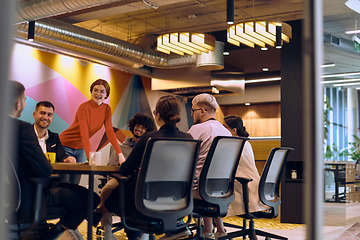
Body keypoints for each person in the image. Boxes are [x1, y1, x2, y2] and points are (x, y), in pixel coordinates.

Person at [7, 81, 101, 240]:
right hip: (31, 193)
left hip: (11, 193)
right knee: (91, 198)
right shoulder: (22, 129)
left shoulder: (53, 137)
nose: (23, 104)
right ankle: (53, 233)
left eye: (49, 114)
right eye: (24, 100)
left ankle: (54, 231)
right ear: (18, 104)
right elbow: (44, 170)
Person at [104, 95, 193, 240]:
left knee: (118, 196)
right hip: (179, 198)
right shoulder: (189, 139)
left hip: (146, 199)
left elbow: (125, 169)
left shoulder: (149, 138)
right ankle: (177, 227)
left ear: (157, 115)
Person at [97, 112, 156, 240]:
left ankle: (145, 232)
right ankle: (107, 231)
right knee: (106, 190)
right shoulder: (120, 147)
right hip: (119, 180)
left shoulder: (149, 147)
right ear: (133, 126)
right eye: (137, 125)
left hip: (140, 181)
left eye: (143, 127)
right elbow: (110, 167)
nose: (139, 129)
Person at [59, 79, 125, 184]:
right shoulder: (84, 107)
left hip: (79, 149)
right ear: (91, 92)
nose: (98, 94)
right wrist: (90, 157)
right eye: (95, 90)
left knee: (75, 184)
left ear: (106, 95)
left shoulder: (106, 109)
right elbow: (84, 134)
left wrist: (120, 155)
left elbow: (110, 132)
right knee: (64, 183)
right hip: (65, 145)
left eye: (102, 91)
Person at [187, 93, 231, 240]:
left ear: (202, 111)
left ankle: (202, 232)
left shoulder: (196, 130)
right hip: (221, 189)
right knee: (205, 180)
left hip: (198, 189)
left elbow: (184, 158)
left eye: (193, 111)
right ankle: (216, 230)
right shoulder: (227, 132)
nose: (192, 114)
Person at [223, 115, 267, 216]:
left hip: (244, 188)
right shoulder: (245, 142)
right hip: (255, 188)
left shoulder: (234, 144)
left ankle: (208, 226)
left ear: (234, 130)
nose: (221, 129)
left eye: (224, 127)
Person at [32, 101, 76, 165]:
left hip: (49, 174)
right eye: (42, 113)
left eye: (49, 115)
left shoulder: (54, 137)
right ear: (34, 115)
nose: (45, 117)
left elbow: (62, 156)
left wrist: (68, 159)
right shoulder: (23, 134)